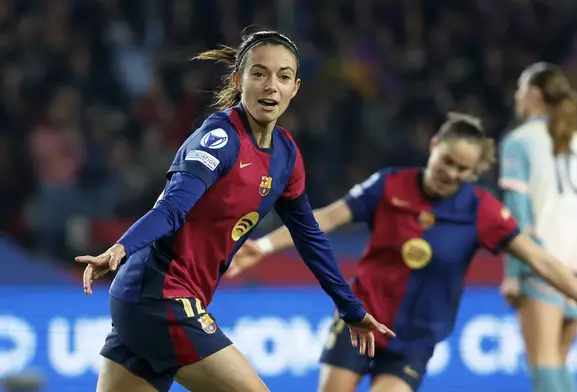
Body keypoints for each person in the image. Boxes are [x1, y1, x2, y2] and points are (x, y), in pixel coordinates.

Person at [74, 30, 395, 392]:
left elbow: (309, 236)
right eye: (259, 74)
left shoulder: (286, 156)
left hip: (144, 300)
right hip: (160, 295)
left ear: (295, 88)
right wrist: (120, 248)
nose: (271, 86)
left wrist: (350, 308)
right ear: (238, 80)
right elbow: (173, 208)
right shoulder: (221, 139)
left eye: (283, 77)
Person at [228, 112, 577, 392]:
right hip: (361, 321)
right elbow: (325, 219)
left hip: (415, 340)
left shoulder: (481, 210)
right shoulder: (389, 185)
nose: (452, 174)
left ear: (475, 172)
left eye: (463, 170)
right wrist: (262, 246)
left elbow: (541, 259)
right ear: (434, 144)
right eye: (447, 162)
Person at [498, 62, 577, 392]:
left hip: (543, 262)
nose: (517, 96)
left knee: (543, 360)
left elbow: (516, 212)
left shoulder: (519, 141)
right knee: (558, 360)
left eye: (520, 89)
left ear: (533, 95)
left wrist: (514, 272)